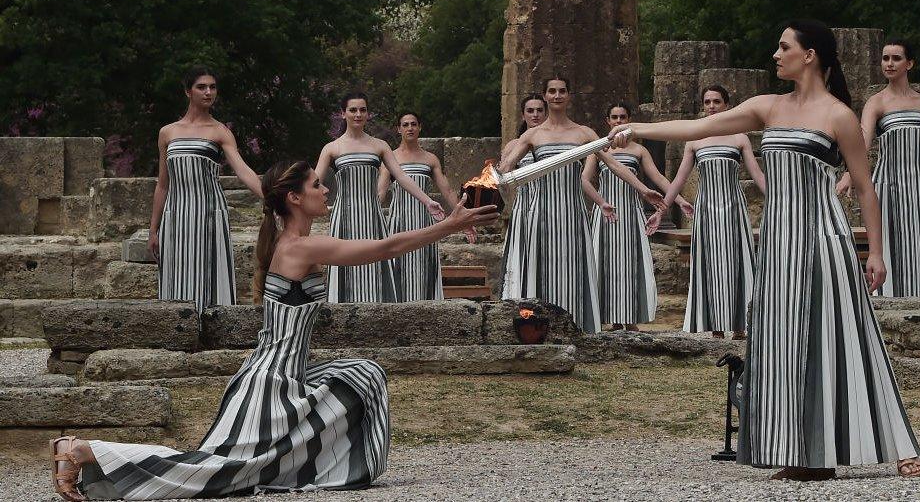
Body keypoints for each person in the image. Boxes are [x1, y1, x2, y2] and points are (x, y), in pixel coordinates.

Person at [49, 161, 499, 501]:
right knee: (212, 473)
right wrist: (449, 226)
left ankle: (310, 468)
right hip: (270, 382)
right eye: (316, 185)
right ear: (295, 199)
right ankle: (84, 450)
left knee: (362, 375)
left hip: (281, 377)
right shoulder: (300, 246)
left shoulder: (290, 243)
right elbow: (384, 247)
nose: (326, 190)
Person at [611, 20, 920, 480]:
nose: (776, 55)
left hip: (823, 240)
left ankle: (898, 444)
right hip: (776, 244)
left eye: (783, 47)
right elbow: (699, 126)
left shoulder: (838, 116)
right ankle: (803, 455)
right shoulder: (766, 107)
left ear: (810, 54)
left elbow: (864, 186)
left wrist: (875, 252)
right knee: (780, 343)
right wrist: (638, 128)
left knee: (847, 336)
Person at [498, 77, 663, 334]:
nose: (557, 95)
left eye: (562, 91)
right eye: (551, 91)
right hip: (541, 214)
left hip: (573, 214)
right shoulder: (532, 135)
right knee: (542, 270)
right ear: (545, 96)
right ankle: (542, 329)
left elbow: (614, 164)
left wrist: (643, 190)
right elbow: (506, 168)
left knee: (573, 271)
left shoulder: (584, 133)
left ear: (569, 96)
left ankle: (576, 329)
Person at [835, 39, 920, 297]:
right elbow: (861, 143)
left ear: (909, 64)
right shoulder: (876, 103)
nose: (889, 63)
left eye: (896, 58)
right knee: (892, 250)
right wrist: (848, 175)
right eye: (885, 58)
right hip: (889, 188)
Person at [649, 86, 766, 339]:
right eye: (707, 101)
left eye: (716, 101)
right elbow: (679, 179)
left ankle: (739, 325)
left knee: (739, 262)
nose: (711, 106)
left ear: (726, 104)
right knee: (709, 265)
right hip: (707, 211)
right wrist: (662, 209)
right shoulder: (695, 139)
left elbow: (757, 175)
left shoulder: (739, 137)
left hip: (734, 208)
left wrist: (780, 199)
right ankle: (715, 327)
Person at [148, 65, 262, 314]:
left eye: (212, 87)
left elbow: (242, 170)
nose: (208, 92)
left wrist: (270, 197)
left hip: (210, 214)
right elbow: (163, 183)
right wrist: (153, 229)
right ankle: (177, 331)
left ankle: (214, 333)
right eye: (201, 87)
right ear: (188, 91)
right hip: (176, 216)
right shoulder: (167, 132)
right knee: (176, 274)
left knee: (210, 273)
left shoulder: (220, 131)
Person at [314, 92, 446, 303]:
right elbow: (314, 183)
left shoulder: (379, 145)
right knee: (345, 267)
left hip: (373, 217)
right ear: (343, 113)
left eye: (363, 110)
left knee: (375, 269)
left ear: (368, 114)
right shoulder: (332, 148)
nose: (358, 114)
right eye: (353, 110)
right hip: (344, 218)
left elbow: (401, 176)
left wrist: (427, 200)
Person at [582, 102, 692, 330]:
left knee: (631, 266)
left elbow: (659, 178)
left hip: (632, 214)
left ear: (629, 120)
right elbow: (584, 180)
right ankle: (611, 319)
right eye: (614, 117)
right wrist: (600, 202)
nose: (619, 121)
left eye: (623, 117)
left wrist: (679, 201)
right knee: (605, 265)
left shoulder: (639, 150)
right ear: (608, 121)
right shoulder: (599, 148)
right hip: (606, 215)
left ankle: (631, 317)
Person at [378, 112, 470, 301]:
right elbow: (380, 193)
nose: (410, 128)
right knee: (397, 268)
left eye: (413, 124)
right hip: (398, 222)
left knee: (424, 269)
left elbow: (447, 191)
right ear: (399, 129)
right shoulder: (390, 158)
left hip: (425, 223)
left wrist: (465, 219)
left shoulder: (430, 159)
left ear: (420, 127)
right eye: (405, 125)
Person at [499, 94, 547, 300]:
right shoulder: (513, 145)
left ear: (546, 112)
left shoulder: (554, 141)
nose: (535, 115)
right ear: (523, 114)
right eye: (530, 110)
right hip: (524, 206)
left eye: (539, 110)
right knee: (523, 255)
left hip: (550, 205)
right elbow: (502, 180)